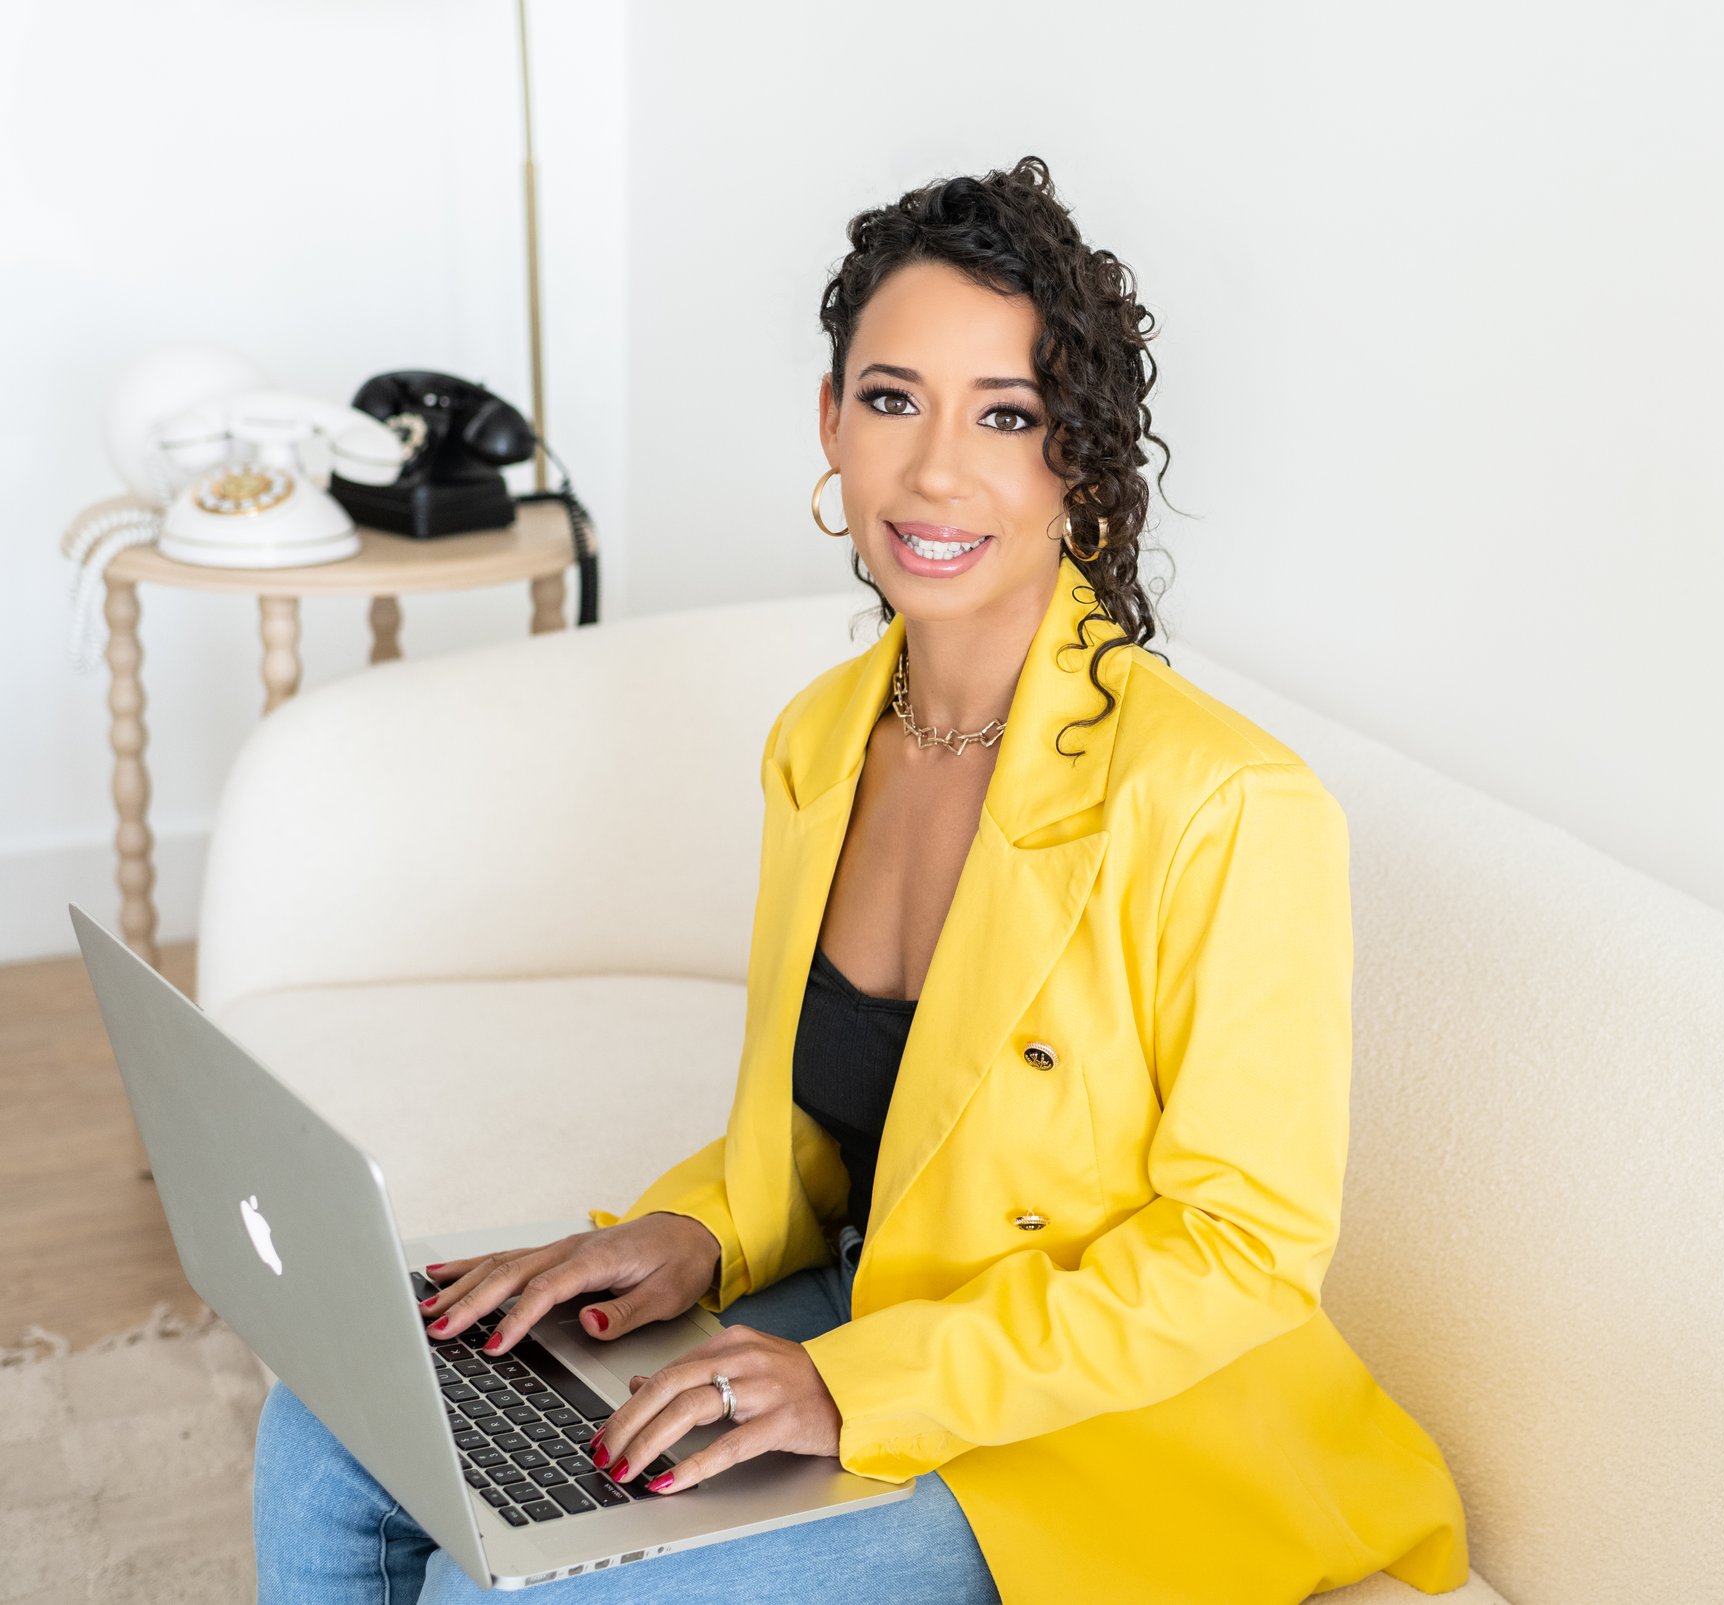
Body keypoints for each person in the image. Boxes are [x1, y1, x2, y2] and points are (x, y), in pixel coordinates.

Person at [253, 155, 1470, 1605]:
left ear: (1075, 461)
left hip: (1097, 1428)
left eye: (1005, 416)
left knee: (519, 1588)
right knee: (330, 1420)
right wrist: (687, 1230)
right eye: (892, 399)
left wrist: (852, 1386)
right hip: (860, 1303)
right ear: (830, 423)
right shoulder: (823, 740)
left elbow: (1244, 1252)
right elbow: (829, 1137)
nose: (936, 470)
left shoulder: (1226, 804)